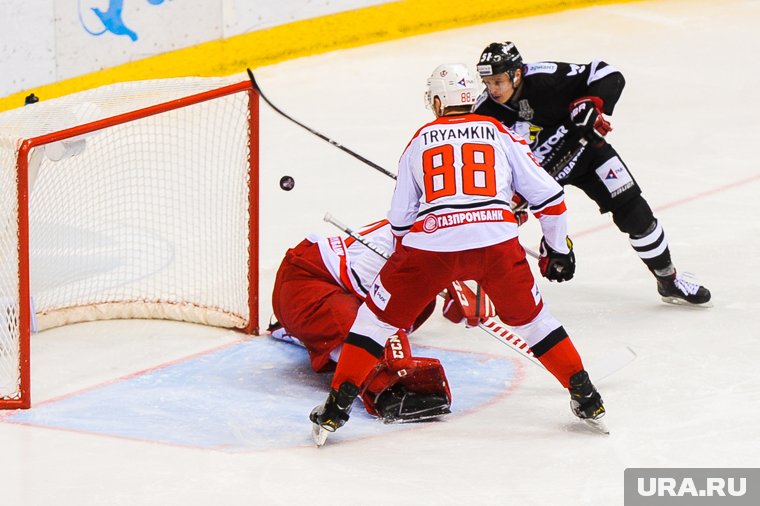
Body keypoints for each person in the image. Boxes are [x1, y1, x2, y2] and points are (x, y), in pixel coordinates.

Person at [309, 63, 606, 445]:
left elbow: (400, 221)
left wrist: (412, 269)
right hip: (497, 242)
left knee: (374, 322)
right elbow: (549, 197)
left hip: (430, 246)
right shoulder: (499, 133)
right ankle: (587, 397)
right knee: (534, 322)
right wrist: (557, 247)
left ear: (436, 102)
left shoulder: (419, 140)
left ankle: (335, 411)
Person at [472, 41, 710, 306]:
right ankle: (487, 281)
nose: (493, 90)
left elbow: (607, 74)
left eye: (498, 82)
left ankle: (668, 280)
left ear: (517, 74)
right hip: (538, 176)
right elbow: (484, 164)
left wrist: (592, 102)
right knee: (496, 221)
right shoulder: (484, 113)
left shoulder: (546, 78)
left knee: (636, 216)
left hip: (587, 154)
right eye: (488, 83)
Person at [271, 218, 495, 423]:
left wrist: (451, 281)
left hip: (338, 289)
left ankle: (315, 337)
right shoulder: (386, 249)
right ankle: (383, 387)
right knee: (368, 331)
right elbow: (377, 318)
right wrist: (398, 364)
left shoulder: (435, 232)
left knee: (423, 306)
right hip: (304, 286)